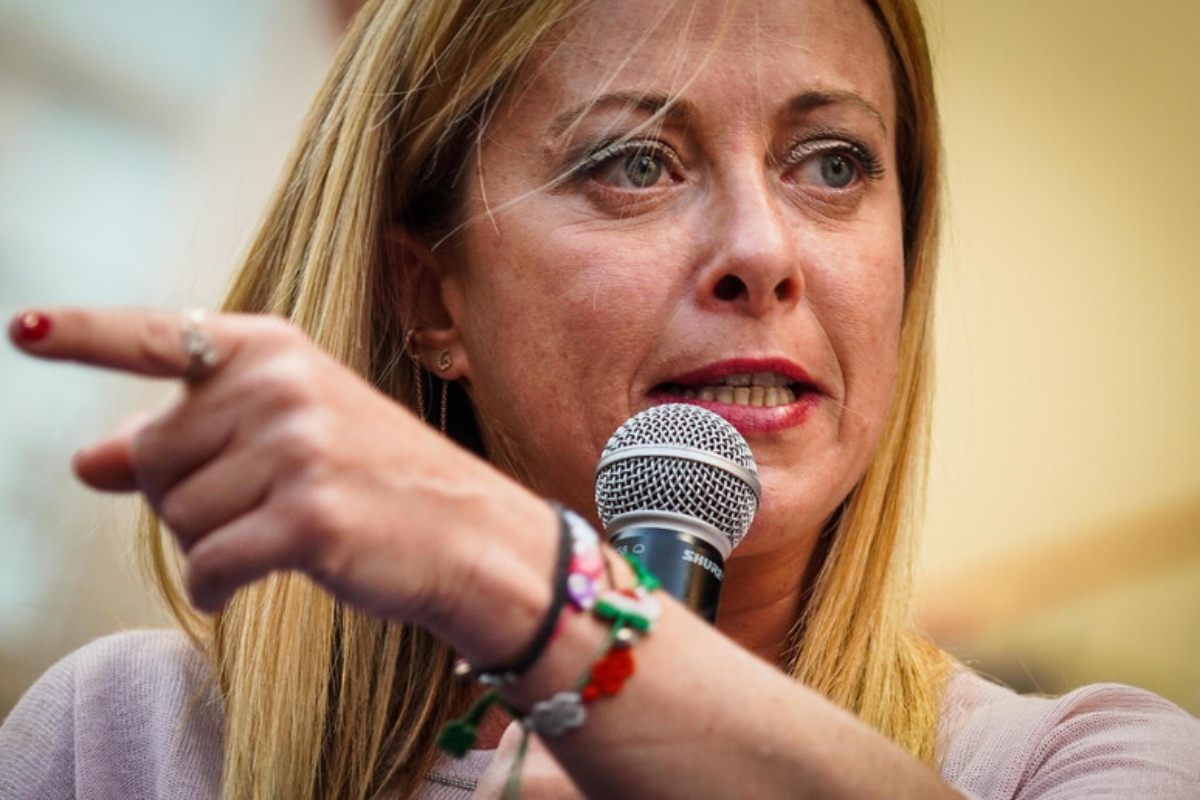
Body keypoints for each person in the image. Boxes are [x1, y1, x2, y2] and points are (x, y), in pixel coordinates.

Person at [2, 0, 1197, 798]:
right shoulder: (125, 742)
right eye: (636, 163)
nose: (763, 249)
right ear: (430, 294)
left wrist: (541, 597)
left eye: (832, 163)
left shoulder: (1083, 763)